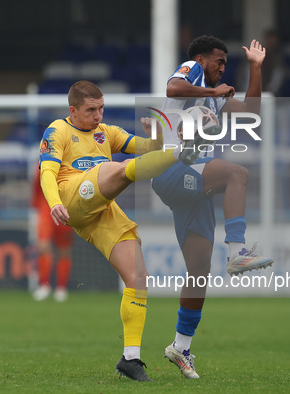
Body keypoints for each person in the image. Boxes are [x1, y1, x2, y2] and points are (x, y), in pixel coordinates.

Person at [39, 80, 203, 382]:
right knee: (115, 169)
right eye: (91, 110)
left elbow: (146, 149)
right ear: (73, 111)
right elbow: (47, 172)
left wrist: (155, 135)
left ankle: (130, 358)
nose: (98, 115)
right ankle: (182, 152)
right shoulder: (57, 131)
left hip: (100, 209)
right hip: (73, 196)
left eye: (101, 108)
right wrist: (53, 203)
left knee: (138, 276)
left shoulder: (108, 132)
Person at [151, 35, 274, 379]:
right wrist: (211, 92)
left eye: (225, 62)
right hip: (172, 169)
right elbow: (174, 89)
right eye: (219, 61)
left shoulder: (215, 98)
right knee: (237, 172)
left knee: (199, 271)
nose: (222, 67)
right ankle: (237, 251)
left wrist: (255, 68)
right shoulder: (192, 70)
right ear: (202, 59)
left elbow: (252, 114)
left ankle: (181, 347)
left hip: (194, 183)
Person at [30, 166, 74, 302]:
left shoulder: (71, 165)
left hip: (65, 208)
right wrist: (35, 208)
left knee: (64, 250)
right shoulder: (42, 165)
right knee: (43, 247)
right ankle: (44, 286)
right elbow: (37, 187)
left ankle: (61, 288)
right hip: (45, 210)